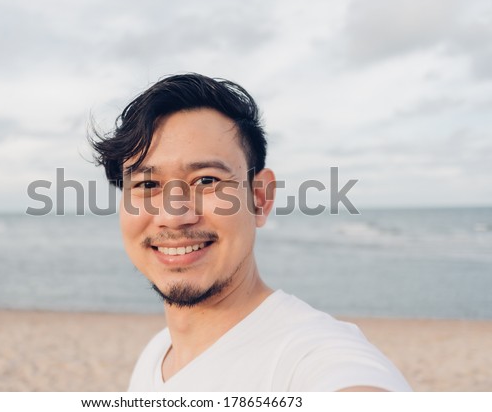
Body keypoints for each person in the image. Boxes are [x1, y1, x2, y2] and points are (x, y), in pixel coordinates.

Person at [92, 73, 411, 392]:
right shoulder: (158, 354)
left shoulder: (310, 359)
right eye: (147, 185)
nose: (174, 216)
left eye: (206, 181)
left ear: (259, 198)